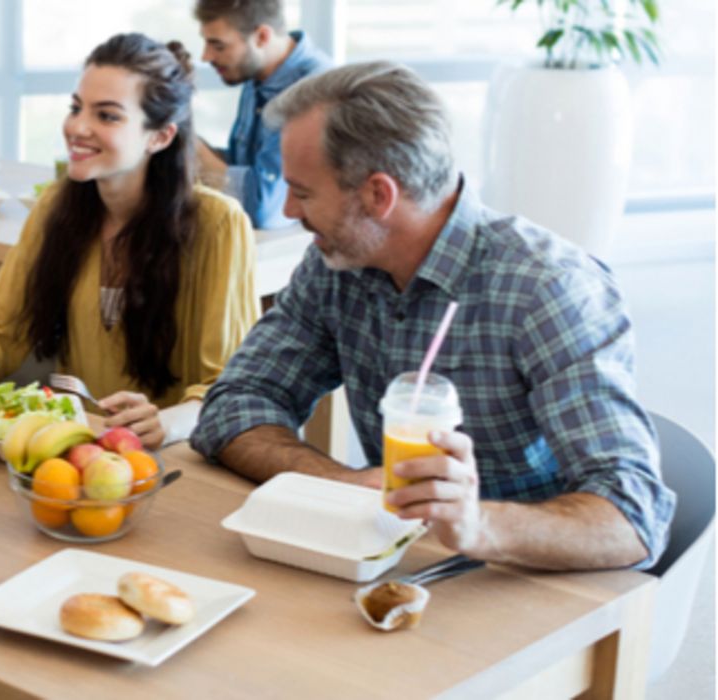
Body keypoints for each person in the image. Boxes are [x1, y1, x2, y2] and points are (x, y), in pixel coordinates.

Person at [191, 62, 675, 571]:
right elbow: (235, 403)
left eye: (304, 192)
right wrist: (342, 482)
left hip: (524, 578)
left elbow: (633, 519)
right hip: (401, 564)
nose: (288, 210)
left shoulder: (549, 289)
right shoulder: (338, 263)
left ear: (379, 195)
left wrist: (478, 525)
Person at [0, 33, 260, 449]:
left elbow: (229, 388)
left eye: (107, 116)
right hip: (79, 451)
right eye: (76, 108)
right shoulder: (56, 206)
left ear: (161, 136)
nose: (78, 128)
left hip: (179, 459)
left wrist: (166, 423)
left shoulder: (220, 224)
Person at [193, 0, 331, 229]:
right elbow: (245, 166)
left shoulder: (313, 91)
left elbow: (264, 208)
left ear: (262, 37)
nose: (205, 56)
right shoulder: (256, 75)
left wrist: (191, 145)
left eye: (218, 45)